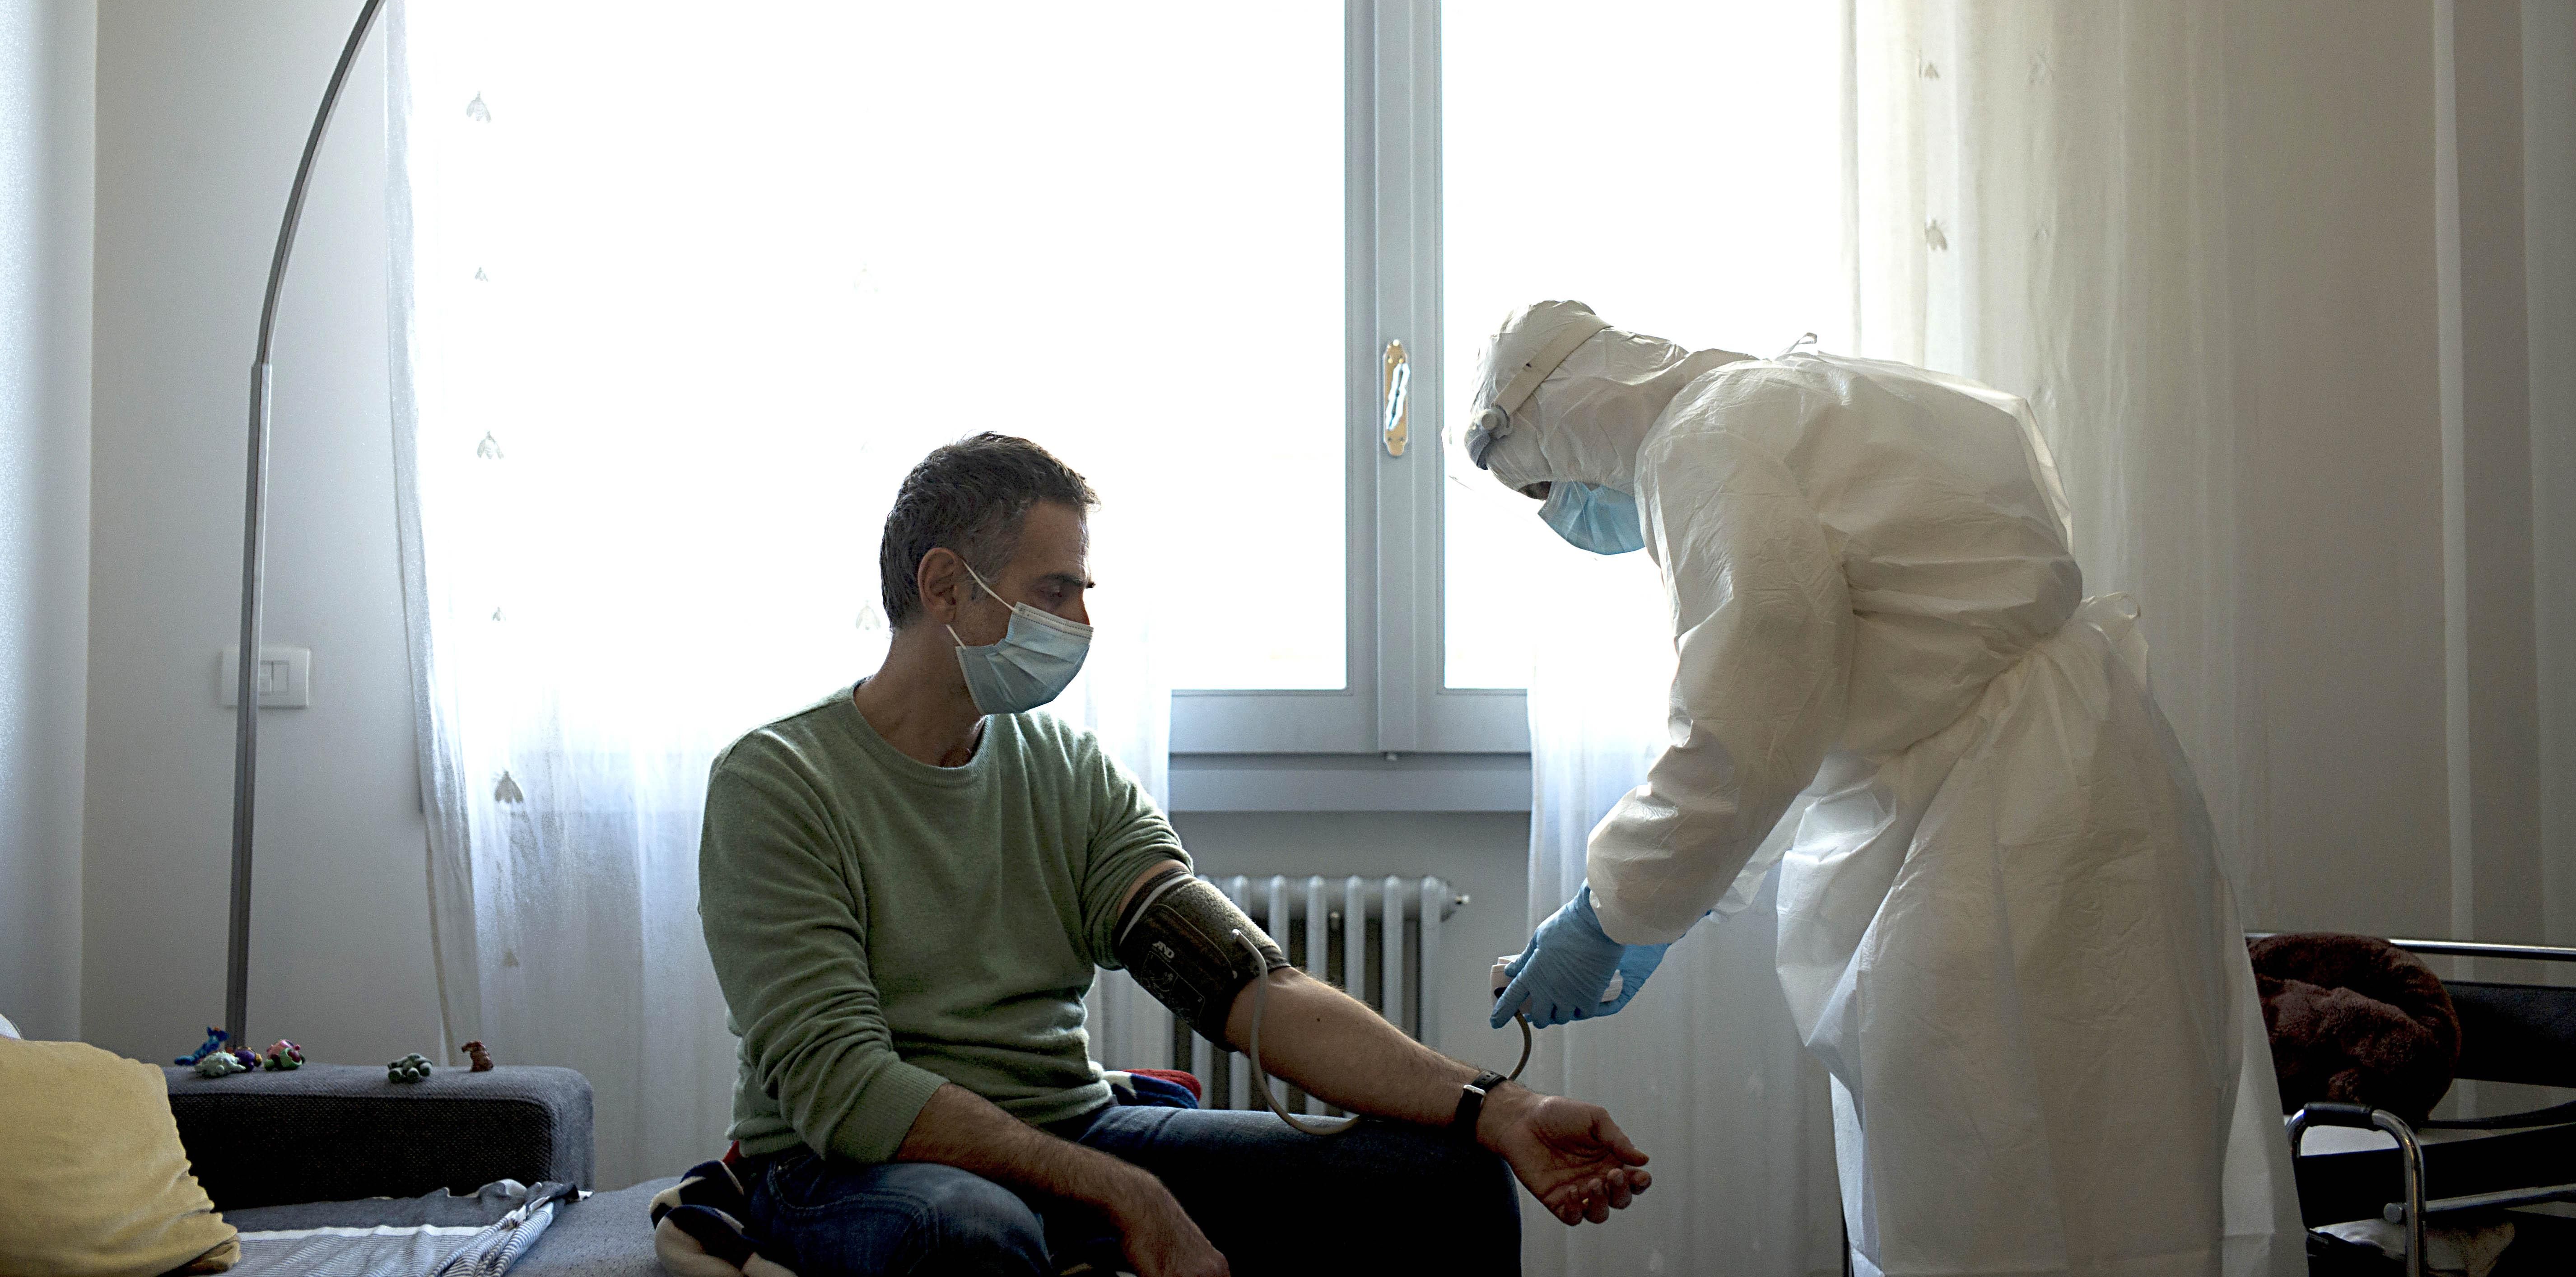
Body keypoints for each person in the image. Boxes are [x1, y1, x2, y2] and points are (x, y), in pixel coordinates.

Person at [1470, 304, 2302, 1277]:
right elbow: (1805, 707)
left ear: (1572, 426)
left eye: (1543, 487)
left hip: (1990, 833)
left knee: (1988, 1187)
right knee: (2125, 1164)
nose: (1561, 517)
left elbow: (1749, 703)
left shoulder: (1703, 446)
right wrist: (1658, 913)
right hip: (2080, 780)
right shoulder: (1790, 397)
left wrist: (1613, 913)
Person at [699, 432, 1654, 1277]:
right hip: (851, 1167)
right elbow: (846, 1090)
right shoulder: (779, 783)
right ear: (945, 585)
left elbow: (1244, 985)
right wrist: (1126, 1192)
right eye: (1054, 589)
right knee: (968, 1230)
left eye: (1083, 590)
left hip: (1066, 1124)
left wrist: (1496, 1106)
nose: (1079, 621)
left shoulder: (1066, 772)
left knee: (1442, 1181)